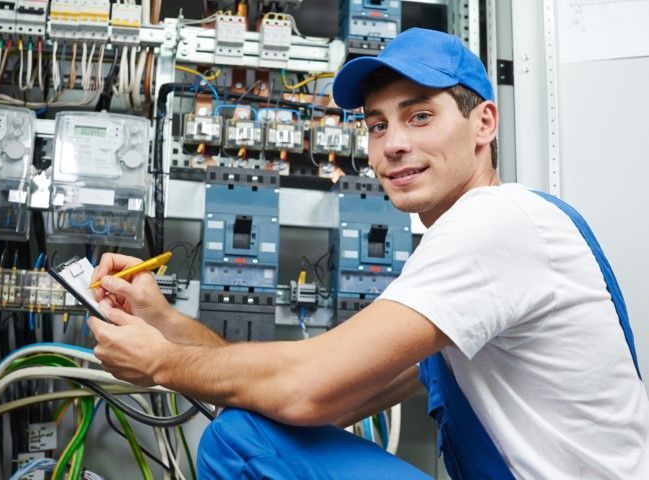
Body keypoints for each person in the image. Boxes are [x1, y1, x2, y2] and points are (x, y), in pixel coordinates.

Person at [88, 28, 649, 479]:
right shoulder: (482, 253)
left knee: (239, 442)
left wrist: (161, 363)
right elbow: (326, 397)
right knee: (252, 429)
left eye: (420, 116)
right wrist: (165, 325)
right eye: (377, 126)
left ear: (484, 123)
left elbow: (304, 388)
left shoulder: (495, 224)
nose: (393, 143)